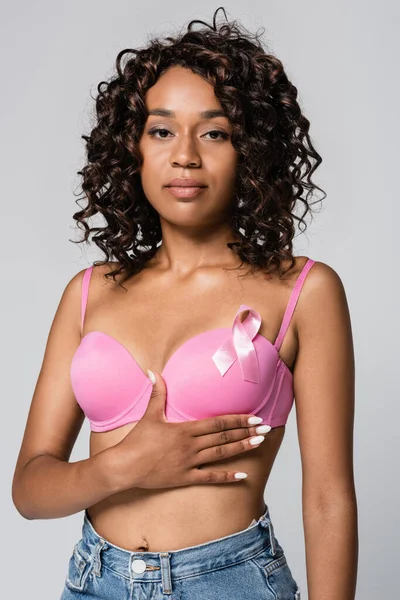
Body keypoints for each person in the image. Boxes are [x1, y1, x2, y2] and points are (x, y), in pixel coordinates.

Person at [11, 7, 358, 600]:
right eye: (162, 130)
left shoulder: (304, 290)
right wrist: (122, 468)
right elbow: (30, 490)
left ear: (252, 150)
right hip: (95, 582)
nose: (186, 156)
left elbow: (327, 498)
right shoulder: (89, 292)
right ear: (134, 149)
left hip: (231, 581)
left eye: (216, 132)